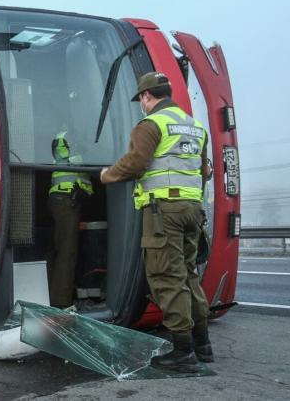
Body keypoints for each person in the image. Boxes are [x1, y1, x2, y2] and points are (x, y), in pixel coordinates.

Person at [99, 71, 213, 372]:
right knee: (188, 275)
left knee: (166, 277)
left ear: (147, 96)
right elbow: (206, 171)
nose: (142, 104)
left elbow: (135, 163)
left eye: (142, 99)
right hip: (192, 208)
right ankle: (202, 345)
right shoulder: (195, 126)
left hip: (164, 211)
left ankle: (183, 352)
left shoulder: (151, 124)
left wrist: (106, 175)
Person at [48, 131, 93, 308]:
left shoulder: (63, 134)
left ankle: (58, 297)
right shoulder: (70, 135)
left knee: (60, 251)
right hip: (67, 199)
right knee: (67, 253)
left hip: (64, 198)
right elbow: (91, 154)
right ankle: (61, 303)